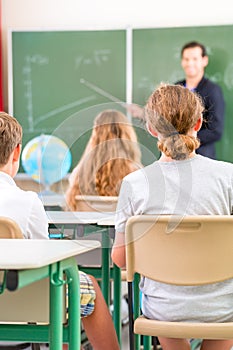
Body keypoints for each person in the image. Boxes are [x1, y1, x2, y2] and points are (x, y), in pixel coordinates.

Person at [111, 84, 233, 350]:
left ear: (152, 129)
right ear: (199, 123)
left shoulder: (135, 184)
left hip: (164, 308)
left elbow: (120, 259)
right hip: (224, 307)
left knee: (166, 306)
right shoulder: (228, 176)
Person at [0, 111, 119, 350]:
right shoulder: (27, 201)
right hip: (20, 300)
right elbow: (45, 258)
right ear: (16, 153)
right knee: (86, 285)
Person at [65, 109, 142, 211]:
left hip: (86, 226)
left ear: (95, 135)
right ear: (126, 134)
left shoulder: (79, 173)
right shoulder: (136, 173)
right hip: (122, 227)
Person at [175, 41, 225, 159]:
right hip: (175, 156)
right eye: (186, 59)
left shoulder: (213, 90)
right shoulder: (176, 88)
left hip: (202, 157)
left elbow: (216, 130)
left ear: (204, 60)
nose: (190, 63)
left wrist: (186, 141)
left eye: (194, 59)